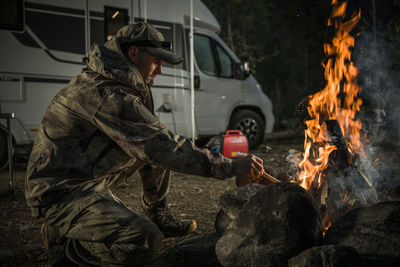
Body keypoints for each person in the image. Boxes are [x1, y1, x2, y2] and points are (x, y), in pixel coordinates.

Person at [25, 22, 264, 266]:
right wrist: (230, 165)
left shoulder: (123, 84)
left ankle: (156, 212)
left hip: (85, 177)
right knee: (143, 239)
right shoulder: (107, 94)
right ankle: (69, 248)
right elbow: (160, 146)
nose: (160, 70)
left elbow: (156, 140)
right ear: (133, 54)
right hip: (59, 191)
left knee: (155, 144)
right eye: (156, 61)